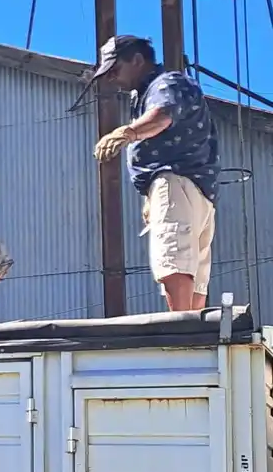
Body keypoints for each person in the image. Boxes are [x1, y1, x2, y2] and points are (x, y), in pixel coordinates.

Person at [91, 34, 221, 312]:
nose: (112, 78)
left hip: (176, 181)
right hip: (196, 188)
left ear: (137, 60)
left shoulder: (165, 84)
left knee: (173, 256)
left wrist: (126, 132)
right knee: (193, 266)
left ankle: (183, 329)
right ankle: (193, 328)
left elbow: (163, 114)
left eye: (115, 69)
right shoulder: (157, 90)